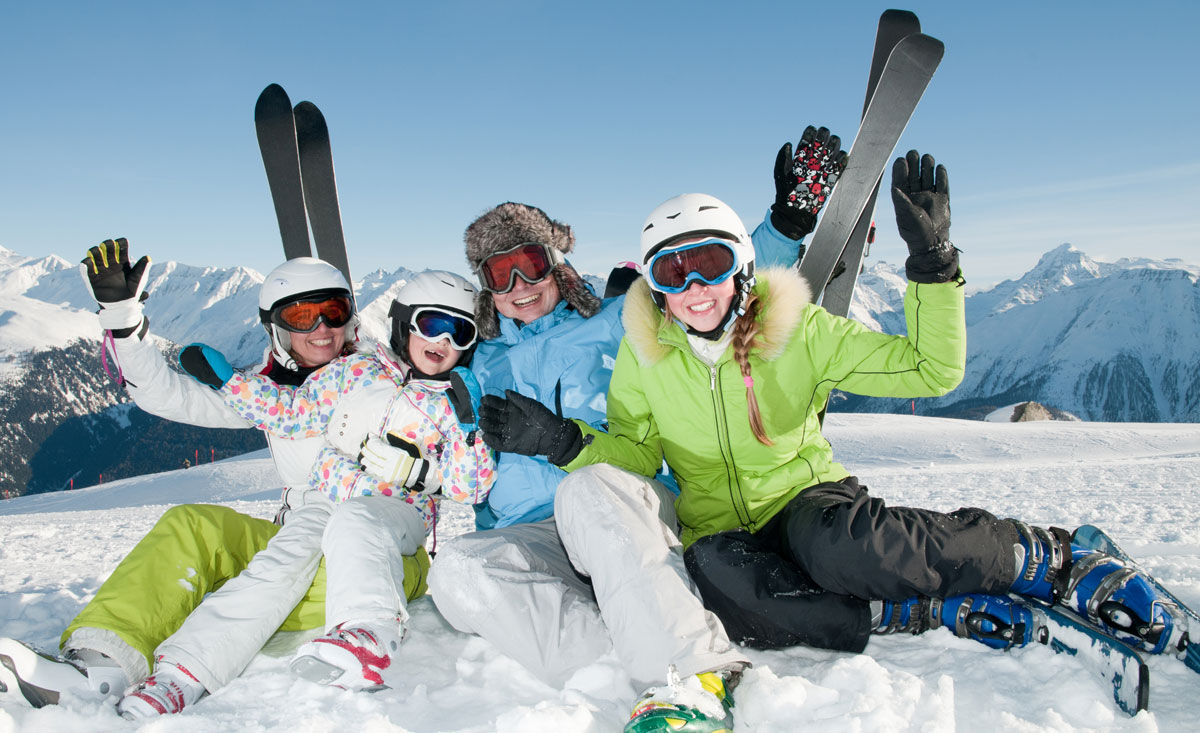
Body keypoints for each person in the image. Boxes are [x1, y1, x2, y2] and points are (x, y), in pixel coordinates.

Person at [475, 153, 1189, 733]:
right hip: (720, 524)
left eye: (710, 262)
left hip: (804, 496)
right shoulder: (646, 352)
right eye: (671, 271)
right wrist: (570, 443)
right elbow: (635, 449)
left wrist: (933, 266)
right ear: (656, 288)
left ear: (742, 268)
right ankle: (914, 610)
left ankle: (1049, 556)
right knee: (725, 589)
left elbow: (931, 368)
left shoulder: (798, 329)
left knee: (845, 549)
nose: (695, 287)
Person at [425, 132, 835, 694]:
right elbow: (401, 383)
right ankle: (614, 672)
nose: (520, 286)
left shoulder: (619, 322)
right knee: (458, 569)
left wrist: (787, 224)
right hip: (534, 538)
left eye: (531, 264)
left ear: (557, 266)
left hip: (623, 509)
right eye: (501, 274)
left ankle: (690, 678)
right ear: (486, 287)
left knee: (586, 489)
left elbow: (700, 287)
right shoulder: (479, 360)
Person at [0, 243, 429, 709]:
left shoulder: (392, 376)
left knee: (294, 556)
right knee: (191, 526)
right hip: (298, 541)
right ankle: (97, 666)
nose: (321, 328)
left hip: (376, 557)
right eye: (302, 316)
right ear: (276, 328)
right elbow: (167, 395)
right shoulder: (267, 391)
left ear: (351, 314)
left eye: (333, 310)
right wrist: (122, 322)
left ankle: (187, 669)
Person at [112, 269, 495, 718]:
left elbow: (472, 486)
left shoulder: (458, 401)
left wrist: (437, 457)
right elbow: (292, 413)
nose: (444, 341)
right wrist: (230, 383)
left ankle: (367, 634)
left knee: (358, 525)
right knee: (274, 568)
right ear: (404, 324)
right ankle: (182, 675)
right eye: (433, 324)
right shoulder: (355, 370)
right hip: (327, 502)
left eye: (460, 331)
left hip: (397, 512)